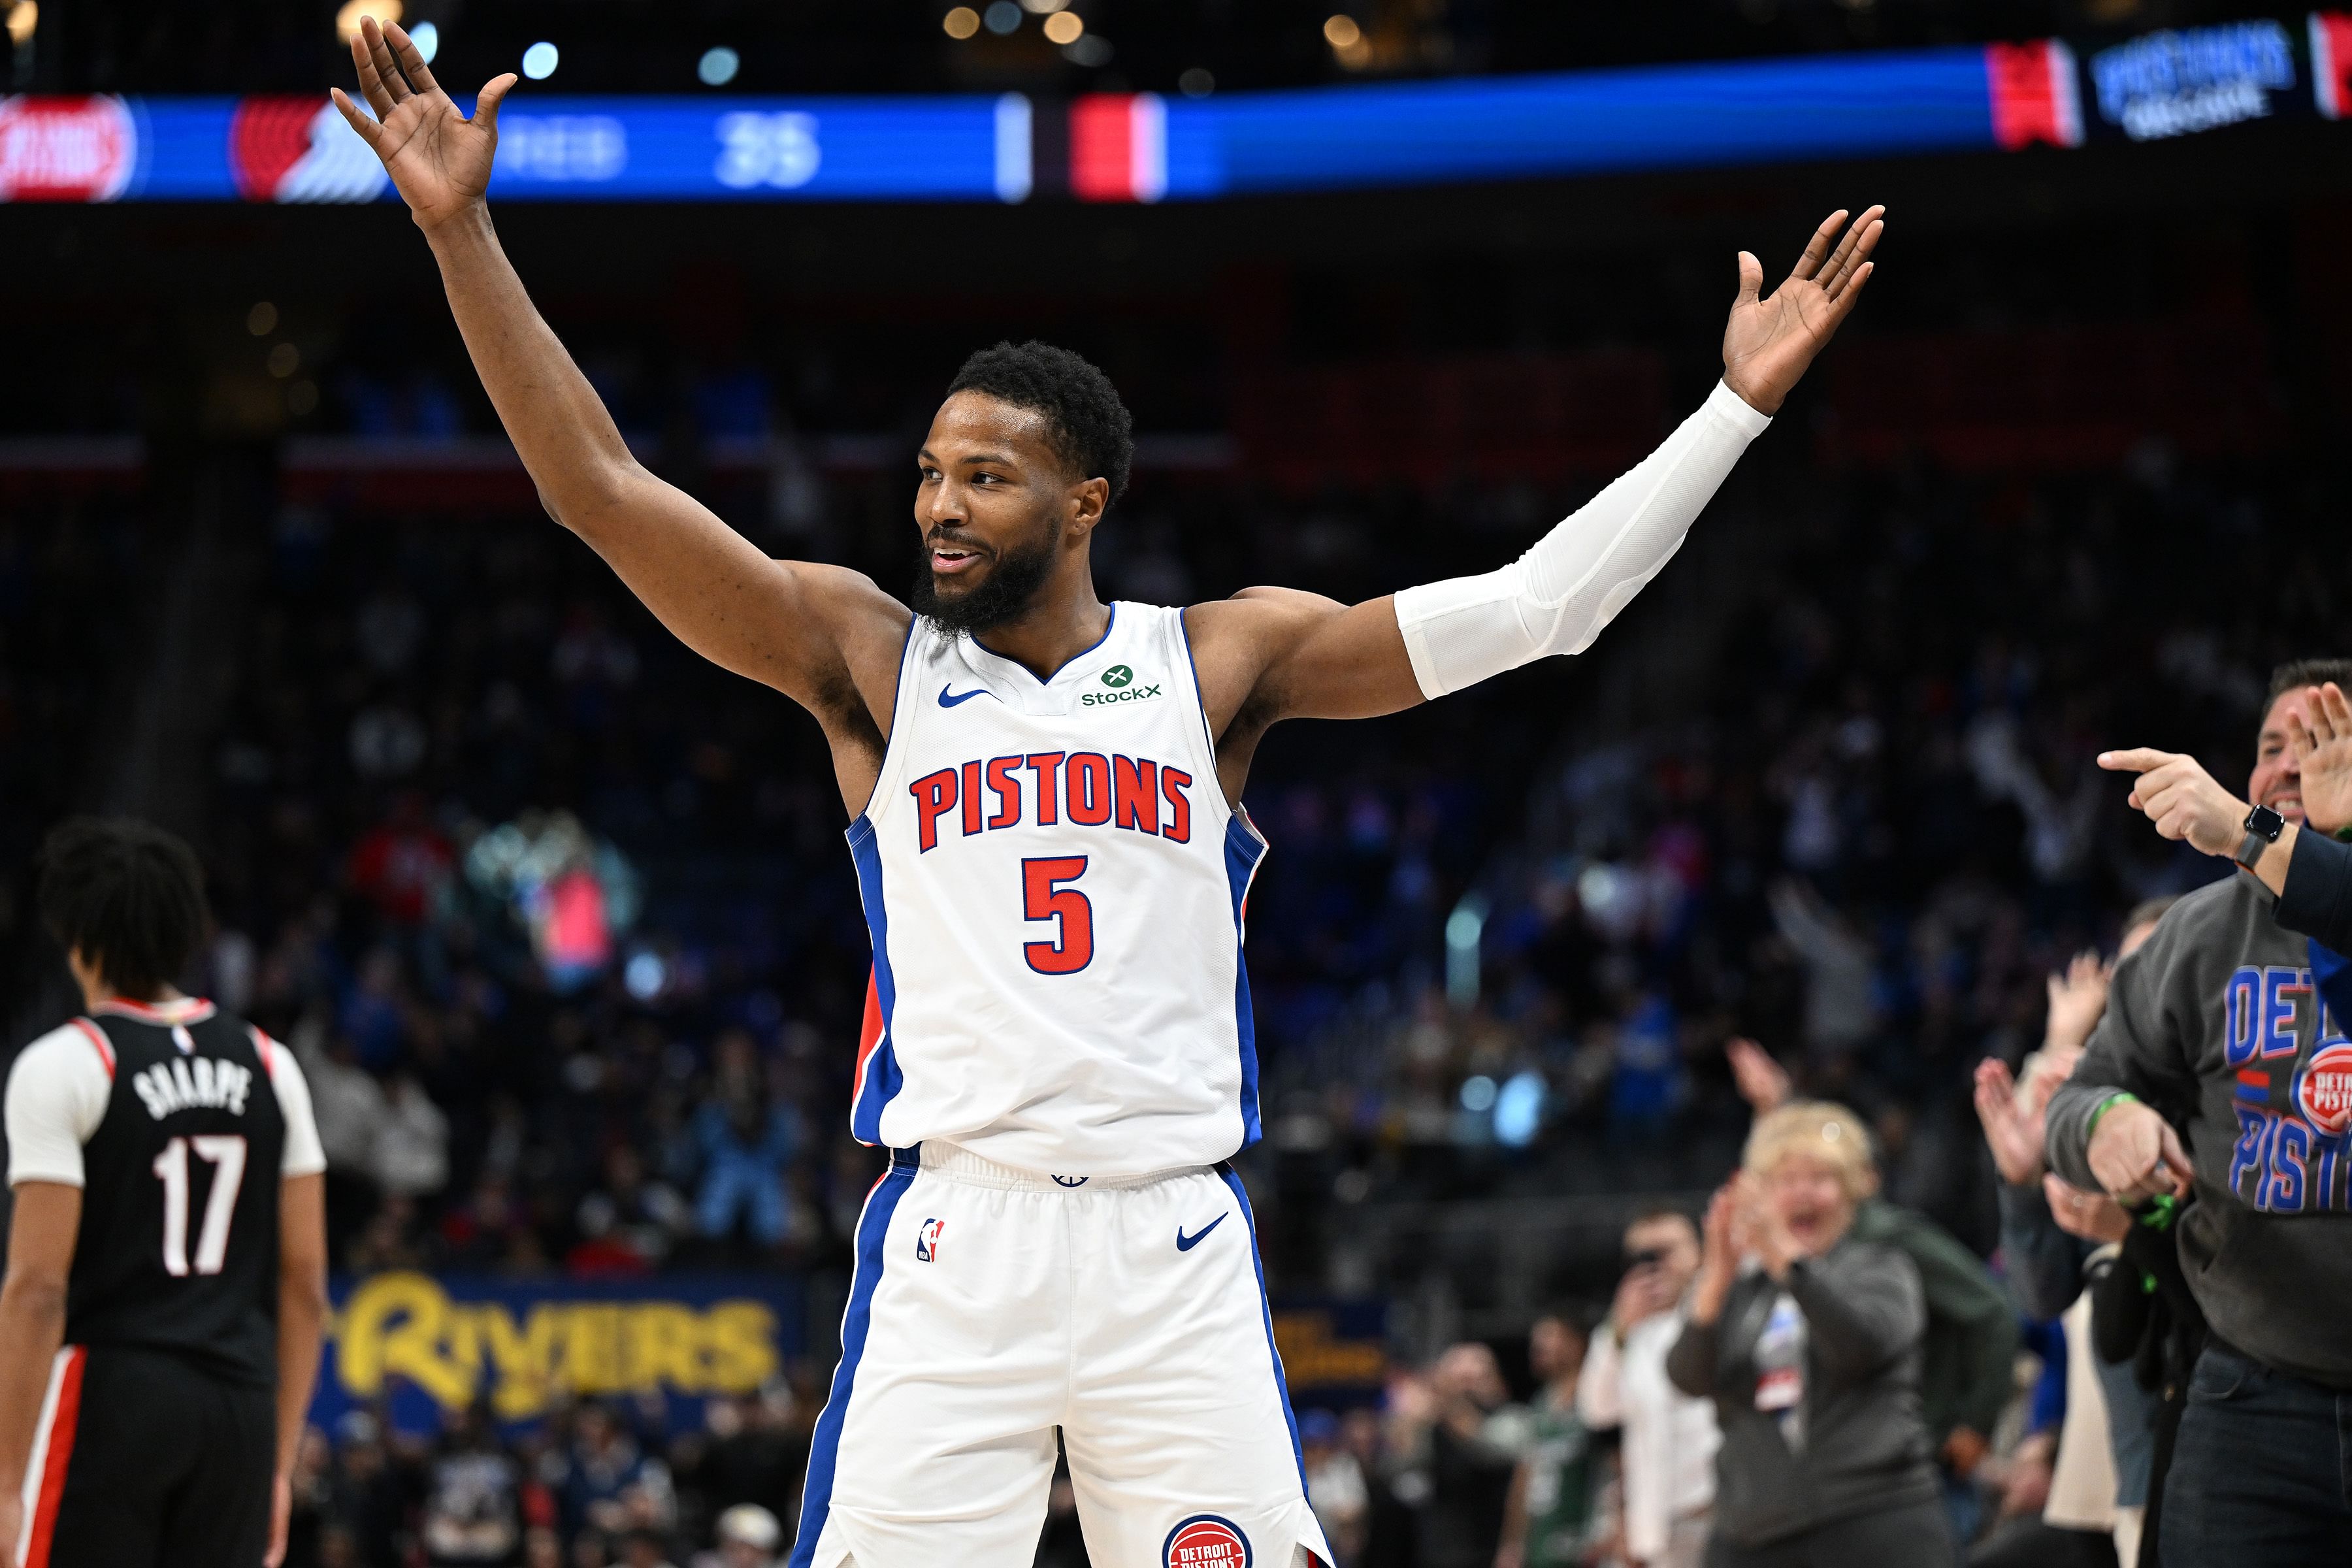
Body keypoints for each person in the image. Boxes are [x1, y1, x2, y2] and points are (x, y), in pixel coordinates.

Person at [330, 22, 1884, 1563]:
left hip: (1168, 1240)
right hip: (960, 1234)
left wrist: (1730, 409)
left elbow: (1543, 606)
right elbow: (596, 490)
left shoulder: (1219, 662)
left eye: (984, 477)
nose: (939, 503)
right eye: (932, 470)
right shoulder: (867, 658)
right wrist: (462, 233)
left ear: (1085, 500)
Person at [2059, 659, 2352, 1565]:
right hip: (2255, 1397)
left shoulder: (2257, 834)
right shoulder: (2198, 936)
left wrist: (2251, 829)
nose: (2295, 766)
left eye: (2327, 740)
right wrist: (2109, 1121)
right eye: (2274, 747)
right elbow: (2081, 1096)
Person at [0, 817, 331, 1567]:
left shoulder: (68, 1064)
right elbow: (306, 1283)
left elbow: (37, 1289)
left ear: (75, 935)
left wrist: (4, 1481)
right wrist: (276, 1467)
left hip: (112, 1394)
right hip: (239, 1407)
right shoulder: (272, 1065)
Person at [1667, 1102, 1954, 1568]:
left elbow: (1855, 1347)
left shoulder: (1882, 1269)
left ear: (1849, 1192)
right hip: (1752, 1529)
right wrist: (1716, 1279)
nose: (1803, 1194)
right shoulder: (1744, 1291)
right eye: (1786, 1181)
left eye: (1819, 1179)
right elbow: (1689, 1377)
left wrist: (1784, 1258)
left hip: (1872, 1518)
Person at [1578, 1211, 1718, 1568]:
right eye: (1642, 1256)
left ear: (1697, 1252)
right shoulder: (1628, 1333)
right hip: (1660, 1527)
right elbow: (1596, 1410)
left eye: (1666, 1251)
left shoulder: (1722, 1307)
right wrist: (1619, 1329)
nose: (1656, 1265)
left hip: (1721, 1513)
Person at [1496, 1316, 1597, 1568]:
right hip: (1542, 1544)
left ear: (1577, 1344)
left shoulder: (1598, 1401)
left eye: (1550, 1337)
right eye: (1536, 1340)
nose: (1539, 1346)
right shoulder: (1540, 1405)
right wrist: (1511, 1545)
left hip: (1587, 1545)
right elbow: (1523, 1479)